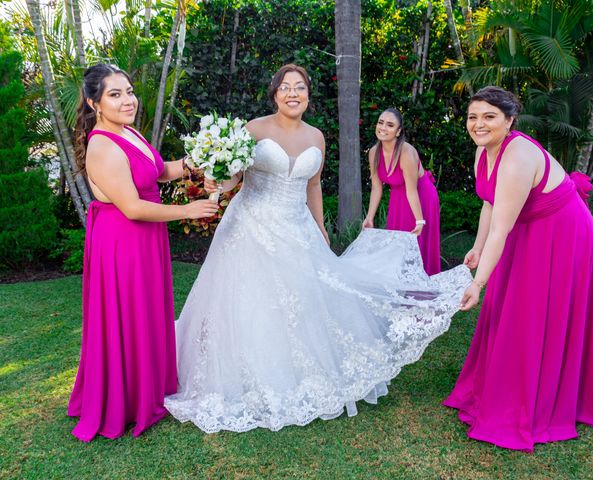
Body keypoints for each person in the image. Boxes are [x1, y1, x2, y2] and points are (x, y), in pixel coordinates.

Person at [164, 64, 471, 433]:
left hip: (297, 228)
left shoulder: (317, 136)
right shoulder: (253, 128)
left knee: (303, 301)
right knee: (250, 302)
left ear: (308, 94)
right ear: (275, 93)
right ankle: (246, 376)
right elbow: (234, 177)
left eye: (300, 88)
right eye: (285, 88)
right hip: (250, 226)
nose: (293, 94)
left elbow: (312, 186)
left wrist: (321, 226)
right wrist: (218, 175)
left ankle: (292, 371)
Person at [444, 86, 593, 452]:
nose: (478, 124)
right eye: (473, 116)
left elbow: (503, 225)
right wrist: (477, 246)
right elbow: (489, 204)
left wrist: (479, 283)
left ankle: (537, 399)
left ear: (509, 120)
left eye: (489, 117)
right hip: (528, 225)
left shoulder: (517, 156)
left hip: (563, 232)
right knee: (512, 304)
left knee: (534, 310)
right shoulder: (482, 151)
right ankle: (500, 383)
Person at [67, 63, 218, 442]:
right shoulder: (102, 144)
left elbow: (157, 171)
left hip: (145, 239)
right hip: (123, 242)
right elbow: (132, 207)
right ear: (94, 102)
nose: (128, 100)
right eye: (115, 95)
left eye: (129, 91)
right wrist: (187, 211)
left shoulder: (129, 132)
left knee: (148, 311)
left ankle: (150, 388)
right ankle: (128, 401)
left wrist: (193, 165)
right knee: (129, 313)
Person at [363, 108, 441, 275]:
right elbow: (377, 187)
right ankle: (400, 287)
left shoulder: (405, 153)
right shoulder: (373, 153)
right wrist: (370, 217)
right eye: (381, 122)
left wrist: (420, 221)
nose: (383, 128)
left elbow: (411, 190)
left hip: (421, 196)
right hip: (398, 196)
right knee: (398, 245)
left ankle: (420, 289)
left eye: (390, 125)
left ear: (398, 132)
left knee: (416, 243)